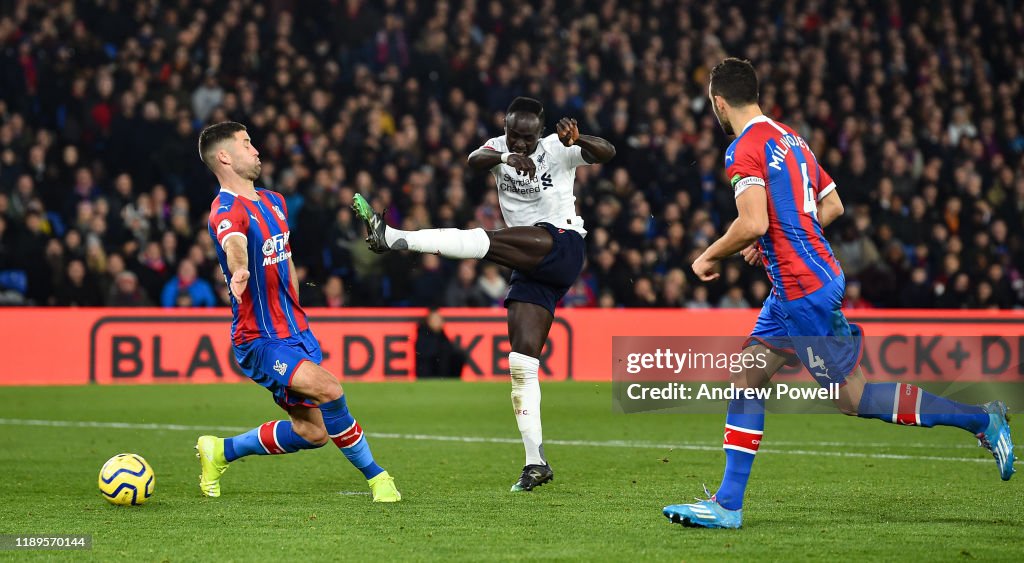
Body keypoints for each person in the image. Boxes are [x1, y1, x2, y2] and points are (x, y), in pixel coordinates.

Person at [663, 59, 1014, 529]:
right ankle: (727, 503)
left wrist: (710, 255)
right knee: (746, 374)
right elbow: (832, 204)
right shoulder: (792, 139)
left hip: (803, 290)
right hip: (796, 285)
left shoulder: (741, 149)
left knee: (856, 399)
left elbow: (752, 222)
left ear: (719, 103)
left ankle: (981, 420)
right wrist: (777, 239)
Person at [352, 96, 615, 492]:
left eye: (527, 138)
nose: (521, 144)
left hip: (561, 243)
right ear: (506, 128)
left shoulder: (558, 148)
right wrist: (506, 158)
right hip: (529, 265)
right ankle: (535, 463)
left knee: (484, 240)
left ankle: (394, 237)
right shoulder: (499, 148)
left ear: (539, 132)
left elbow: (606, 152)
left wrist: (580, 139)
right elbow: (474, 159)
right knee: (521, 363)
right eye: (514, 135)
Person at [194, 121, 400, 502]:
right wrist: (239, 269)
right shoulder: (225, 210)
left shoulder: (275, 201)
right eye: (246, 143)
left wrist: (296, 308)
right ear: (224, 156)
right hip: (260, 340)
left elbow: (285, 259)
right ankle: (378, 477)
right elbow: (234, 243)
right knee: (330, 388)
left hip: (296, 332)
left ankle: (220, 450)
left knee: (313, 432)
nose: (256, 150)